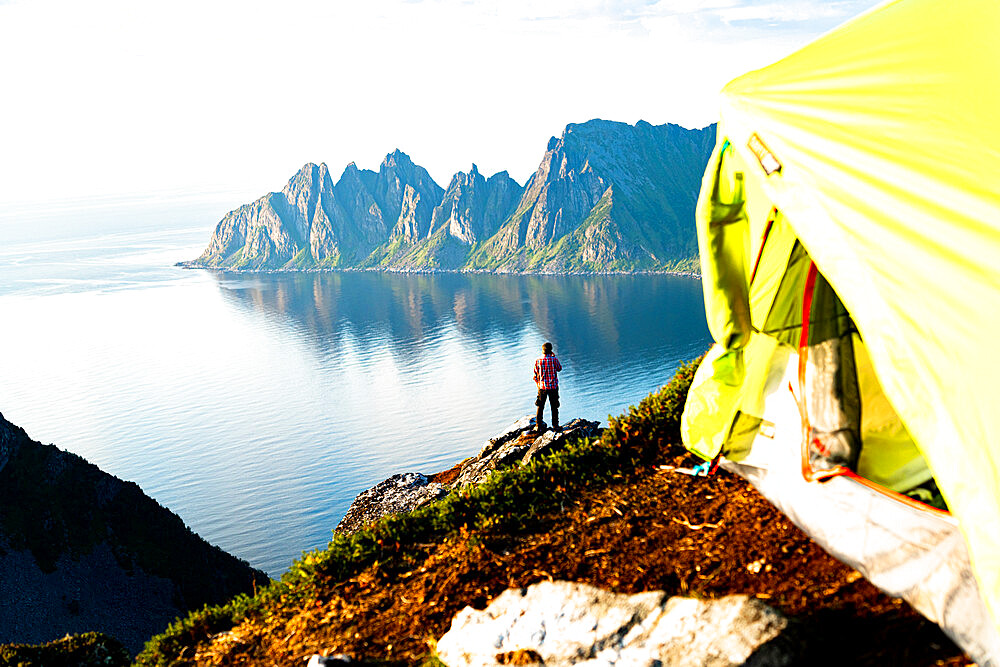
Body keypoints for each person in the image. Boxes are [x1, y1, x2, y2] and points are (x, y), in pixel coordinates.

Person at [533, 341, 562, 431]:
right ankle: (555, 425)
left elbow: (535, 375)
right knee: (554, 406)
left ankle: (538, 425)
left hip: (542, 387)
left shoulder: (538, 360)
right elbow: (559, 368)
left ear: (543, 350)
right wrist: (553, 356)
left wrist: (539, 384)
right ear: (551, 350)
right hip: (553, 387)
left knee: (540, 406)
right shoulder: (554, 359)